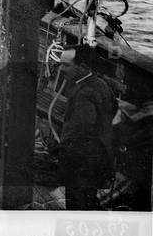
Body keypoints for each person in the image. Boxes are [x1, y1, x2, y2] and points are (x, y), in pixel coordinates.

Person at [52, 44, 116, 210]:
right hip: (98, 157)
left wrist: (60, 150)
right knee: (88, 200)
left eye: (66, 65)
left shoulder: (84, 93)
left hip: (82, 162)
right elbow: (113, 109)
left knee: (77, 203)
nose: (61, 69)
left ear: (83, 67)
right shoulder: (101, 84)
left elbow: (80, 129)